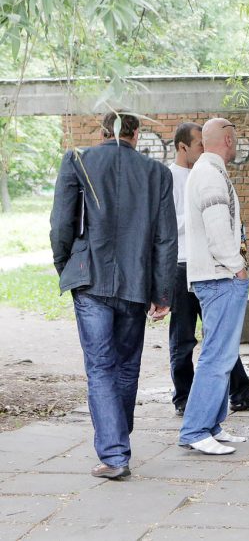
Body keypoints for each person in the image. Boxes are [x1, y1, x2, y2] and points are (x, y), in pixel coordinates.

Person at [50, 111, 177, 479]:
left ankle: (114, 452)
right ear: (136, 135)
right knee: (126, 366)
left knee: (100, 367)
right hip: (136, 284)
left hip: (90, 279)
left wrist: (67, 266)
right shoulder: (158, 174)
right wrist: (162, 291)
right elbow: (166, 238)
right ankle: (117, 441)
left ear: (103, 132)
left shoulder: (79, 160)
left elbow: (61, 223)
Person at [167, 122, 249, 417]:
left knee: (221, 340)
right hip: (183, 265)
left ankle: (239, 393)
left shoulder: (206, 172)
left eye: (205, 143)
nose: (203, 148)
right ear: (182, 147)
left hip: (211, 266)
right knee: (184, 338)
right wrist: (199, 215)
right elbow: (165, 227)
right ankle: (185, 400)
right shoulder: (173, 178)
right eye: (198, 144)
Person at [178, 118, 249, 455]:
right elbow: (217, 228)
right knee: (216, 357)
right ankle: (195, 430)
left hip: (217, 275)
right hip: (220, 276)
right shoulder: (208, 174)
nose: (236, 144)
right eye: (235, 139)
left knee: (222, 354)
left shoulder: (208, 171)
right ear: (228, 139)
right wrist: (237, 266)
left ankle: (211, 425)